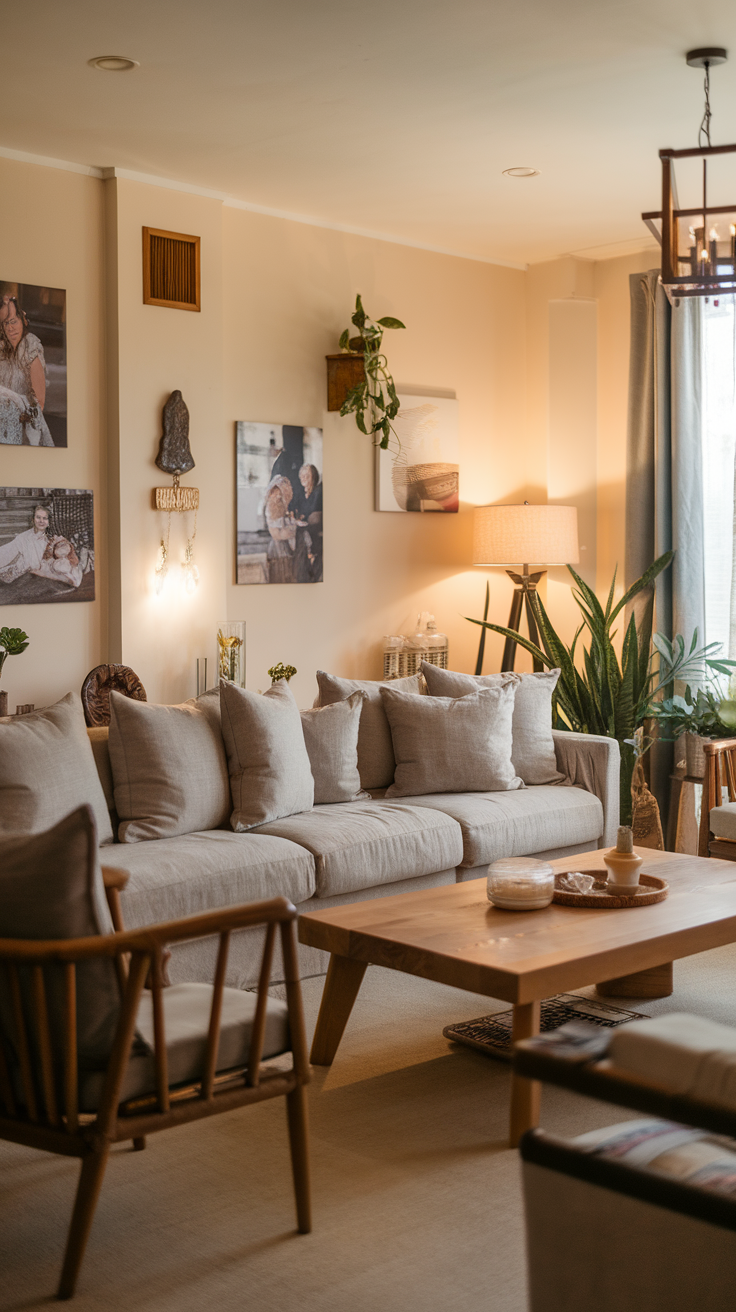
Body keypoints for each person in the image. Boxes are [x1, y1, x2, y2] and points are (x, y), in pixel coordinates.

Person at [0, 295, 53, 446]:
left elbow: (39, 403)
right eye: (5, 324)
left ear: (22, 319)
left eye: (13, 322)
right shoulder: (2, 348)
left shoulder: (30, 345)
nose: (10, 328)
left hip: (26, 433)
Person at [0, 505, 56, 583]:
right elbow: (7, 552)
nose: (41, 521)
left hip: (44, 576)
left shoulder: (52, 539)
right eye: (38, 517)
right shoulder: (24, 537)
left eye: (45, 518)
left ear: (49, 522)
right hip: (24, 576)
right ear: (33, 520)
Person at [263, 475, 297, 584]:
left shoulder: (282, 506)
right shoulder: (269, 509)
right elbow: (275, 534)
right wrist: (287, 532)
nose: (277, 497)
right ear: (270, 494)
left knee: (288, 572)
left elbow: (285, 523)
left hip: (285, 544)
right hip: (277, 547)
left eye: (279, 494)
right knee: (279, 574)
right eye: (275, 494)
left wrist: (291, 523)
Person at [293, 463, 323, 582]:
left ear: (313, 477)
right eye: (302, 476)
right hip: (303, 530)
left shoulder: (318, 493)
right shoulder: (301, 494)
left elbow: (315, 516)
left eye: (307, 476)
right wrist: (299, 519)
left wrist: (303, 518)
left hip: (315, 532)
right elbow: (298, 513)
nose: (303, 478)